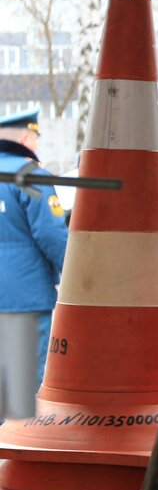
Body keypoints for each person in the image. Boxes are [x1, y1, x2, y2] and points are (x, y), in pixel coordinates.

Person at [0, 108, 68, 416]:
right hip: (22, 296)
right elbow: (51, 234)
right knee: (21, 387)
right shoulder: (30, 175)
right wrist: (75, 277)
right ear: (27, 137)